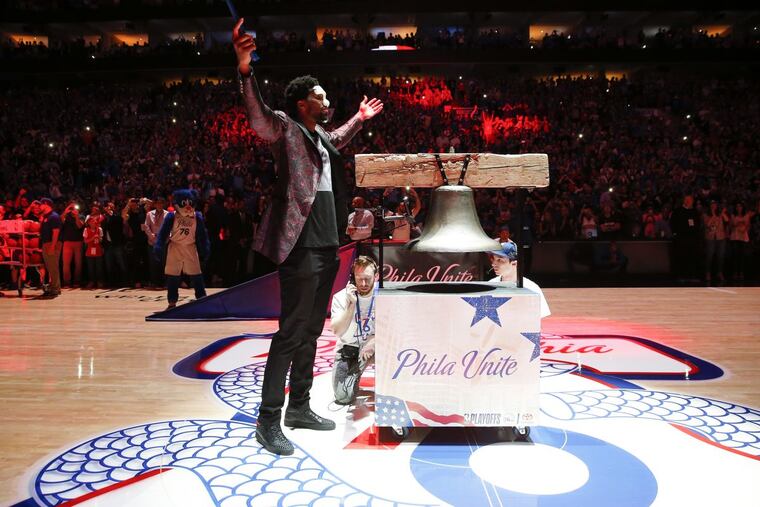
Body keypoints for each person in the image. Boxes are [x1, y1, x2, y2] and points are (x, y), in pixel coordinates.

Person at [233, 18, 384, 456]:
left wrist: (358, 117)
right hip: (299, 245)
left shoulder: (317, 137)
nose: (326, 99)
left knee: (312, 330)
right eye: (319, 95)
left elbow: (335, 138)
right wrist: (245, 71)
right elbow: (257, 118)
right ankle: (269, 420)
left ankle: (299, 405)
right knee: (291, 332)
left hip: (324, 245)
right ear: (302, 103)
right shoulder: (283, 126)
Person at [330, 256, 379, 405]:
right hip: (349, 349)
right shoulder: (340, 297)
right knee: (343, 397)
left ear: (376, 277)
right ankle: (355, 372)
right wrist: (351, 305)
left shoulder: (384, 297)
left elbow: (395, 329)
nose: (363, 284)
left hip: (377, 348)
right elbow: (337, 331)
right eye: (359, 279)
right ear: (352, 278)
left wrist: (374, 341)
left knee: (397, 354)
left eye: (368, 279)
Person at [153, 189, 210, 310]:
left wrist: (205, 248)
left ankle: (202, 299)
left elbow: (202, 235)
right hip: (175, 246)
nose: (188, 207)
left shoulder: (197, 217)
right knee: (173, 276)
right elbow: (163, 233)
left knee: (196, 275)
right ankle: (172, 302)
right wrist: (158, 246)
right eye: (185, 203)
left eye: (190, 203)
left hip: (190, 246)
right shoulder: (171, 216)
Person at [488, 240, 550, 319]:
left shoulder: (531, 288)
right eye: (493, 259)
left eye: (500, 260)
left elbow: (540, 321)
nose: (493, 264)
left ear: (514, 263)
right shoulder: (491, 284)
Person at [39, 198, 62, 298]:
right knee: (50, 267)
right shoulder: (46, 216)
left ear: (46, 204)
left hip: (51, 244)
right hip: (46, 243)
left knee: (53, 267)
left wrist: (52, 246)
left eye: (41, 204)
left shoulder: (54, 216)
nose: (39, 206)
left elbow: (56, 233)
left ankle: (55, 289)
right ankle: (54, 288)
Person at [61, 202, 84, 288]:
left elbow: (79, 226)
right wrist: (65, 211)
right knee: (66, 263)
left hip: (78, 242)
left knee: (78, 263)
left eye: (75, 207)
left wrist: (77, 216)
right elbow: (60, 220)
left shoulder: (81, 216)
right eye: (72, 207)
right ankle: (67, 282)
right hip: (67, 242)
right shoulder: (66, 216)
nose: (73, 209)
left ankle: (77, 281)